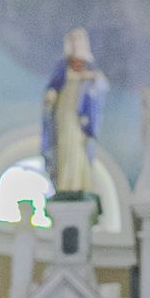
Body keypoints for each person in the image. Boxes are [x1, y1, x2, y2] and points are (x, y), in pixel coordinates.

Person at [42, 27, 107, 199]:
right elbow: (53, 86)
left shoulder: (90, 68)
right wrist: (51, 95)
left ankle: (80, 183)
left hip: (81, 115)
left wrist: (92, 80)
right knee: (64, 143)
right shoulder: (62, 67)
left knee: (78, 147)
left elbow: (101, 86)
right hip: (64, 111)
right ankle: (64, 183)